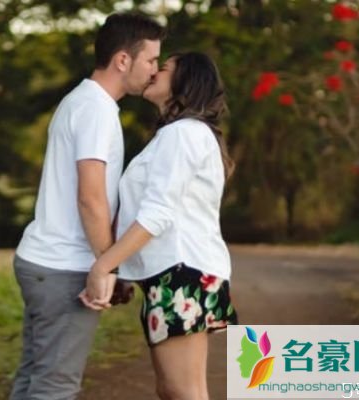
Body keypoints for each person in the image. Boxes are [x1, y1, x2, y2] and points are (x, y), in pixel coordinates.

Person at [9, 12, 166, 400]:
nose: (155, 70)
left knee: (34, 379)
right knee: (54, 387)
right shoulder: (96, 109)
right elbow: (91, 197)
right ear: (123, 60)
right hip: (64, 267)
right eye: (151, 60)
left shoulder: (83, 102)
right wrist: (108, 265)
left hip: (47, 261)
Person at [80, 52, 239, 400]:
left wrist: (104, 266)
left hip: (183, 273)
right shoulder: (179, 134)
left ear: (186, 81)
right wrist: (125, 271)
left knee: (181, 391)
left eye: (163, 67)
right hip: (178, 273)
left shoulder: (183, 134)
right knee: (176, 390)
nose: (153, 71)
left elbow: (157, 214)